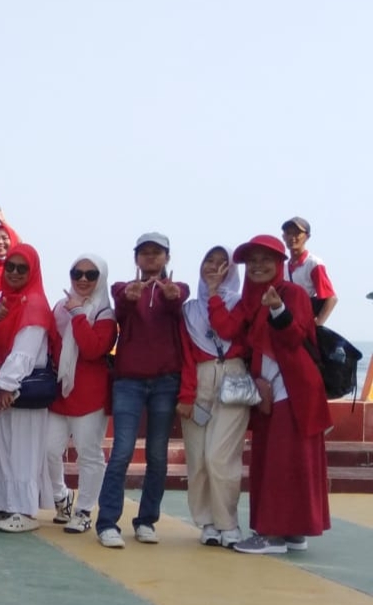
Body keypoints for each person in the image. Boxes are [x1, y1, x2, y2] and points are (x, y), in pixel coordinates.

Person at [213, 235, 331, 555]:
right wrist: (213, 292)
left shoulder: (291, 293)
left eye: (266, 259)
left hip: (292, 391)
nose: (257, 266)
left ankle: (271, 535)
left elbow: (295, 337)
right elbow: (230, 333)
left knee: (280, 462)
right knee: (281, 460)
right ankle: (293, 531)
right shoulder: (250, 300)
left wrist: (278, 309)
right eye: (252, 261)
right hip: (270, 392)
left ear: (280, 263)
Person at [97, 232, 189, 549]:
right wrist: (128, 298)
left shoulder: (179, 289)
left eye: (157, 252)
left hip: (166, 381)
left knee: (157, 455)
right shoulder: (122, 288)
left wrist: (172, 296)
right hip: (129, 382)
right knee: (121, 452)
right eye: (145, 252)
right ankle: (107, 523)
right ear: (136, 258)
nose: (150, 257)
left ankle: (147, 520)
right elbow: (121, 311)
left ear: (167, 258)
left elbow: (178, 305)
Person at [178, 246, 249, 547]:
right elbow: (185, 354)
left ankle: (227, 523)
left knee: (220, 457)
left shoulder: (241, 304)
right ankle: (206, 522)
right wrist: (186, 394)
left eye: (223, 264)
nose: (214, 268)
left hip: (233, 378)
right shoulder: (189, 310)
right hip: (200, 380)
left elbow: (226, 328)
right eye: (209, 261)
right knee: (197, 458)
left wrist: (215, 294)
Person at [0, 243, 57, 534]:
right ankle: (6, 504)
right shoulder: (4, 299)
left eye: (22, 268)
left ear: (33, 271)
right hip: (2, 384)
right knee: (3, 448)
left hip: (21, 386)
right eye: (10, 267)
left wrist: (7, 384)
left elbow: (26, 350)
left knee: (23, 449)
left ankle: (24, 509)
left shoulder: (34, 303)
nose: (14, 273)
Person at [46, 254, 117, 535]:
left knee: (89, 455)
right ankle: (62, 496)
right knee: (48, 450)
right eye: (77, 274)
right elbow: (51, 345)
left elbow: (92, 349)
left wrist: (78, 315)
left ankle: (84, 510)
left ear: (101, 278)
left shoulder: (105, 314)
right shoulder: (59, 308)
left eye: (91, 274)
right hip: (60, 394)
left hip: (90, 396)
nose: (83, 279)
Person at [281, 217, 338, 325]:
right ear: (283, 237)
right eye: (288, 233)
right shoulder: (283, 267)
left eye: (297, 233)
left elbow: (331, 298)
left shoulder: (313, 264)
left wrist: (318, 323)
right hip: (288, 322)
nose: (292, 237)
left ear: (307, 237)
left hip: (305, 320)